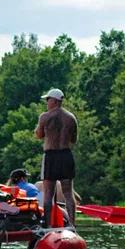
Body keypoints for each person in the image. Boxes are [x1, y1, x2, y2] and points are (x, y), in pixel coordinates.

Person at [35, 87, 78, 229]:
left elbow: (39, 135)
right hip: (66, 155)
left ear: (54, 101)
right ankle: (72, 224)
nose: (46, 102)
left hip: (51, 156)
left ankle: (47, 226)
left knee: (48, 193)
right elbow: (73, 140)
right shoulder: (71, 118)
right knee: (68, 193)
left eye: (47, 100)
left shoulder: (44, 117)